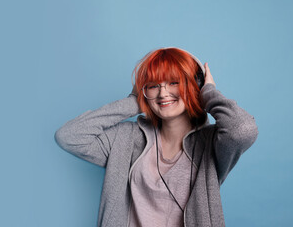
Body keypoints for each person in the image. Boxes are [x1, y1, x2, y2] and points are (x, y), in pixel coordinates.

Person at [54, 47, 258, 227]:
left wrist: (208, 93)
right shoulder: (126, 138)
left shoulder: (212, 143)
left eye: (173, 82)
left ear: (195, 85)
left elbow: (242, 130)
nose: (163, 93)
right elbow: (68, 136)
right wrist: (133, 102)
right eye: (153, 85)